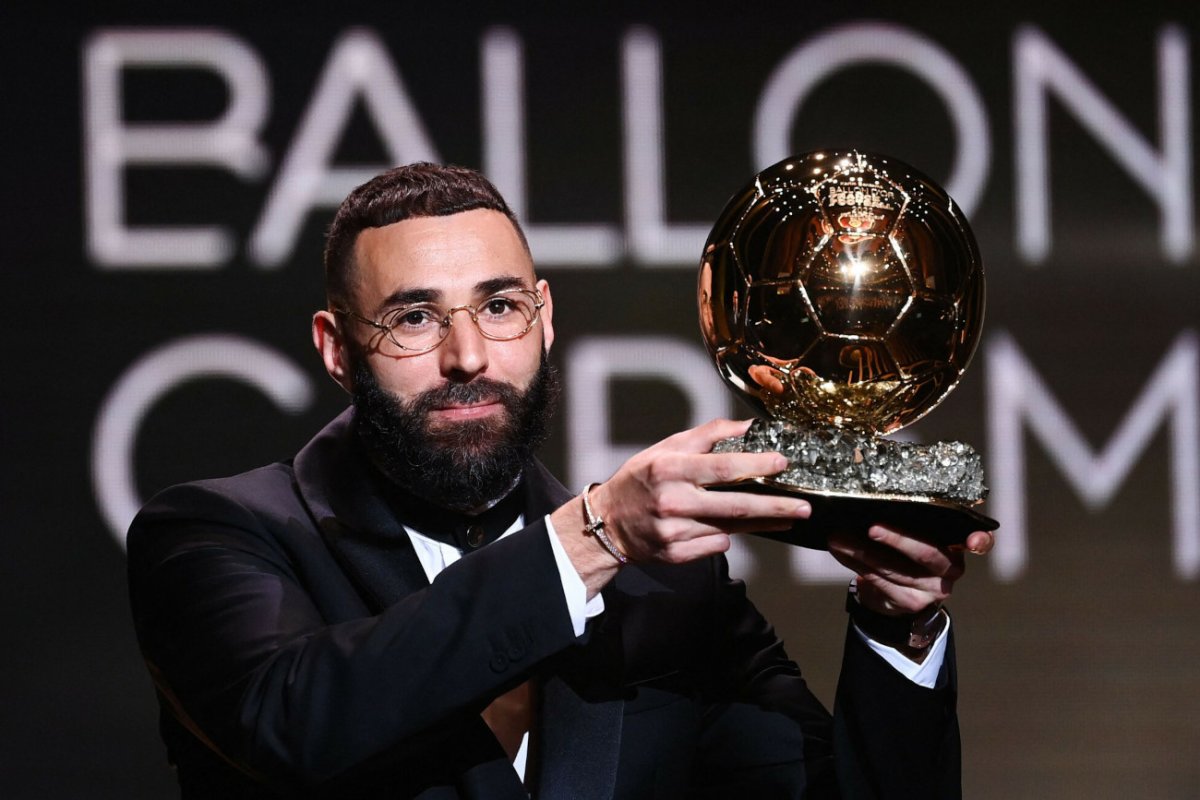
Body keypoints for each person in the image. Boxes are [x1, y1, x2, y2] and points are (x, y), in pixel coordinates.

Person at [127, 162, 994, 799]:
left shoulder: (669, 589)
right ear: (335, 347)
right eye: (415, 318)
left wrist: (898, 629)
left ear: (545, 319)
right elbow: (294, 723)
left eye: (500, 307)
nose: (469, 357)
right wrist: (596, 535)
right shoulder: (218, 534)